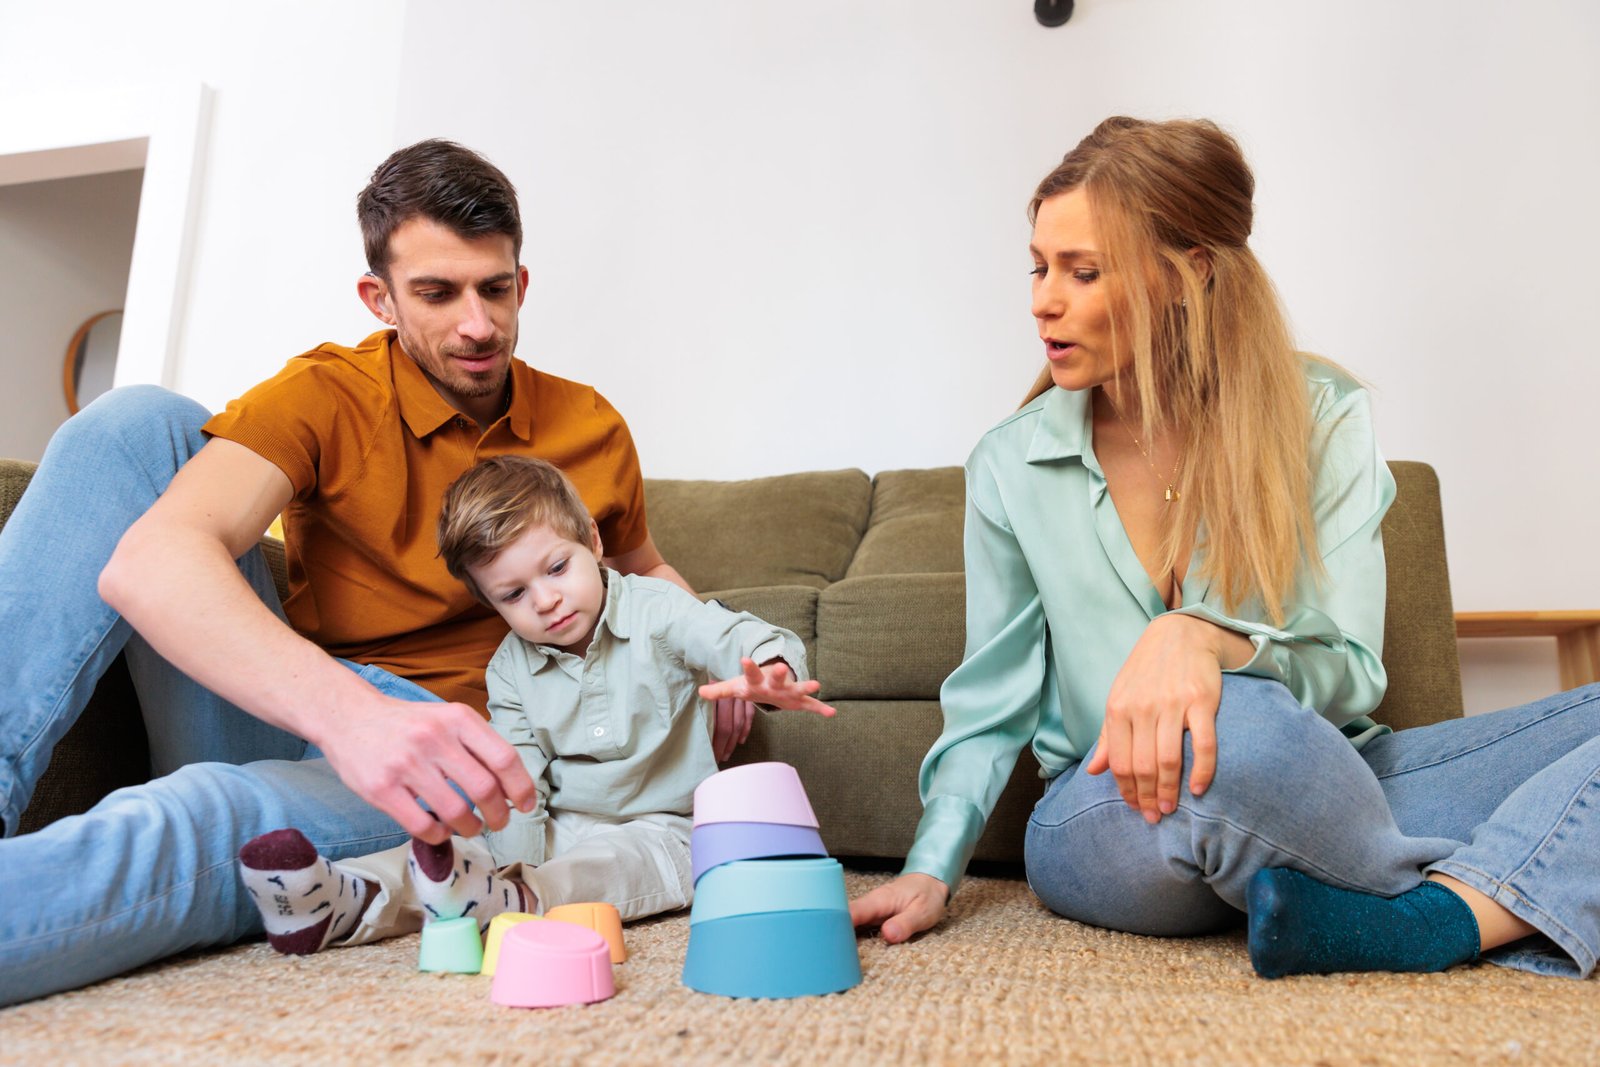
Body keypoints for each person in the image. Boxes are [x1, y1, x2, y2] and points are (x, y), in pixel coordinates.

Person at [0, 140, 751, 1005]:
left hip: (466, 755)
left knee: (204, 816)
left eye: (494, 288)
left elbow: (640, 566)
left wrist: (715, 654)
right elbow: (151, 562)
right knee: (136, 424)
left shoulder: (591, 425)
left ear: (521, 282)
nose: (477, 324)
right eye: (437, 293)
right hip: (305, 703)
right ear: (380, 298)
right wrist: (352, 716)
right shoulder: (328, 393)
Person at [850, 116, 1600, 980]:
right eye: (1039, 266)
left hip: (1330, 780)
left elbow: (1351, 673)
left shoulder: (1323, 415)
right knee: (1240, 725)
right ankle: (1480, 877)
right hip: (1114, 808)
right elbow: (990, 703)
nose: (1042, 300)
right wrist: (931, 866)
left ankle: (1440, 919)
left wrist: (1206, 640)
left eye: (1082, 271)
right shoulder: (1010, 463)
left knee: (1270, 730)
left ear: (1190, 273)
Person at [237, 455, 834, 953]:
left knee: (604, 865)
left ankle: (515, 900)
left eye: (557, 568)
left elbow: (727, 635)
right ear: (490, 602)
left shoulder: (657, 609)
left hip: (669, 829)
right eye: (515, 593)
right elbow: (521, 783)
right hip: (561, 824)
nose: (546, 600)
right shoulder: (509, 669)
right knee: (461, 848)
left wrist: (771, 672)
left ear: (593, 541)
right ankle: (339, 897)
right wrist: (502, 862)